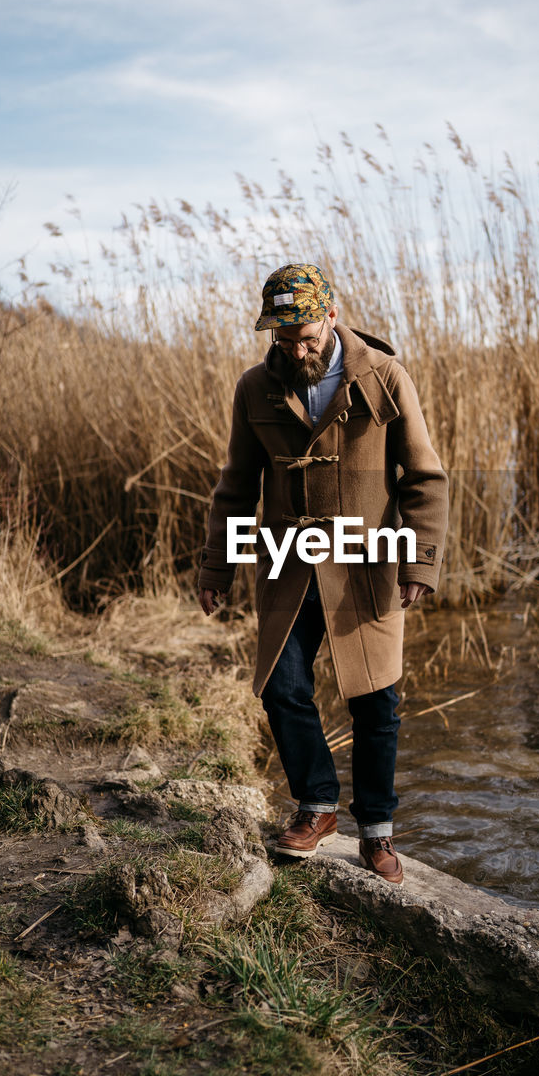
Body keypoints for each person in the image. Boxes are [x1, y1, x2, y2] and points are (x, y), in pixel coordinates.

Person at [198, 264, 448, 885]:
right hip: (286, 563)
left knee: (376, 701)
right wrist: (217, 565)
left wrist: (419, 561)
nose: (296, 348)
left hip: (367, 563)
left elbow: (424, 478)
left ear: (332, 317)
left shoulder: (385, 378)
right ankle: (316, 808)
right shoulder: (255, 388)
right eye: (283, 339)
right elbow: (236, 485)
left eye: (306, 335)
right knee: (281, 688)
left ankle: (377, 833)